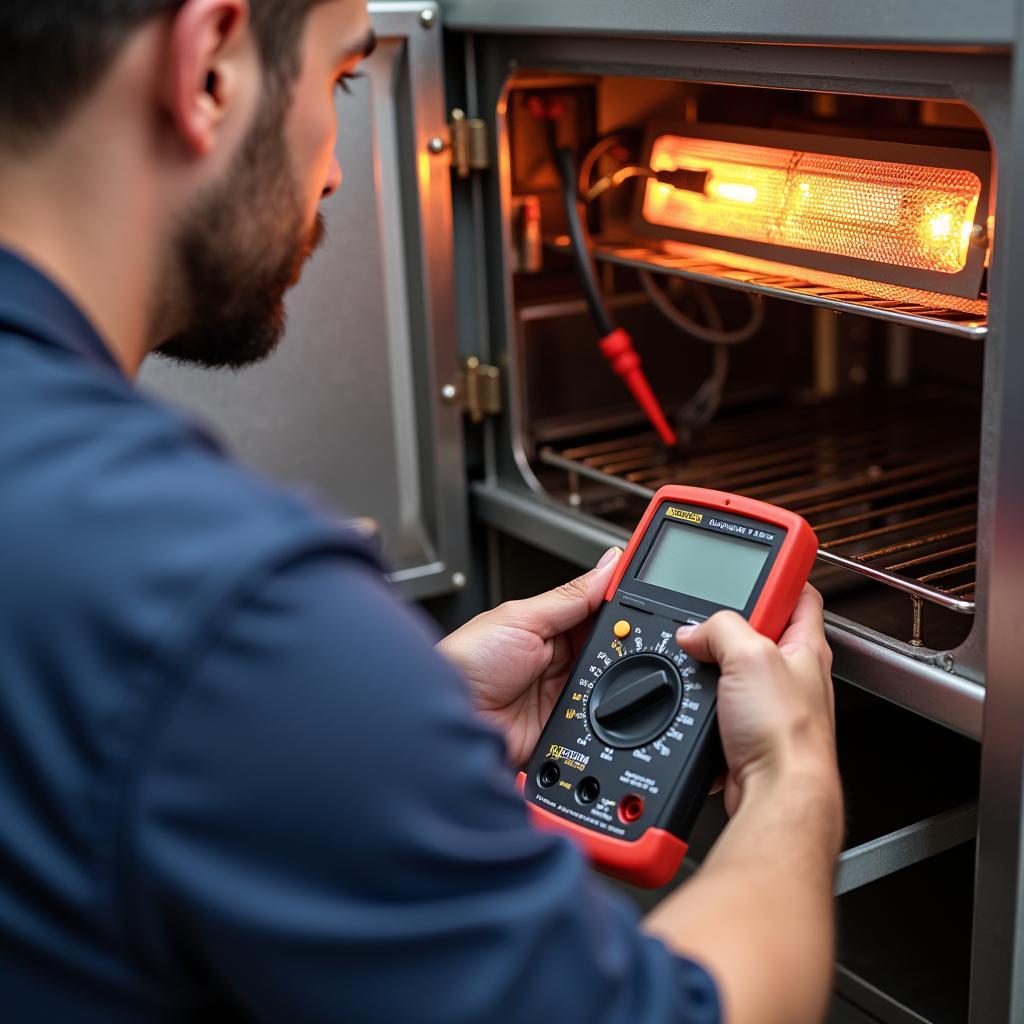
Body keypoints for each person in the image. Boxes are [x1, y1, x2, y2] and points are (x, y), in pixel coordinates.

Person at [0, 1, 844, 1022]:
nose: (338, 171)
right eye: (340, 81)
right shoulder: (228, 604)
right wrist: (794, 784)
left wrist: (387, 720)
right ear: (210, 66)